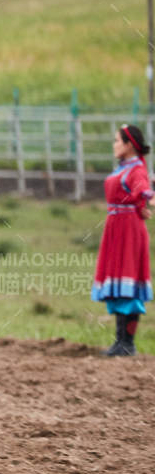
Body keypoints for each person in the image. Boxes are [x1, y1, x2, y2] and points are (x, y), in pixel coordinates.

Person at [93, 124, 152, 357]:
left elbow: (143, 189)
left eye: (117, 140)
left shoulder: (136, 170)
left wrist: (148, 199)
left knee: (129, 285)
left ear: (129, 145)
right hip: (116, 229)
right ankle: (120, 342)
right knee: (119, 284)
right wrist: (140, 205)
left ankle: (128, 343)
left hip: (129, 231)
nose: (114, 145)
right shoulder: (124, 168)